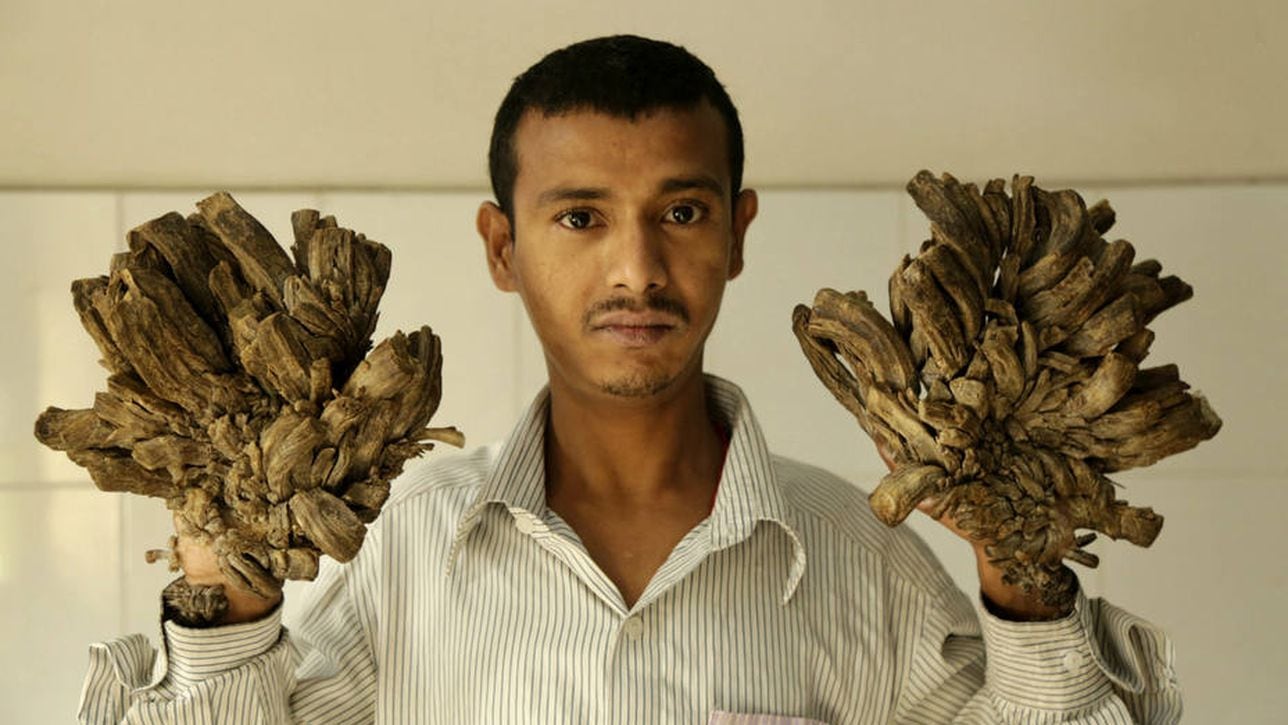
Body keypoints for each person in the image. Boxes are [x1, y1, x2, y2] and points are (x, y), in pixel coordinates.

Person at [79, 35, 1182, 724]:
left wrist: (1024, 567)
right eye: (579, 216)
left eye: (682, 212)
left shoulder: (863, 552)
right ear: (503, 246)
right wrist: (222, 575)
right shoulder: (410, 545)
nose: (638, 268)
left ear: (737, 233)